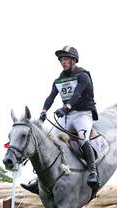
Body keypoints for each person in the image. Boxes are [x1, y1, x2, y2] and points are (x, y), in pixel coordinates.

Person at [21, 46, 99, 194]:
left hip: (83, 114)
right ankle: (39, 181)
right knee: (50, 140)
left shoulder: (83, 76)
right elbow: (51, 97)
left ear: (74, 60)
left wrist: (66, 107)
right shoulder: (59, 79)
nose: (63, 62)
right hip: (67, 115)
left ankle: (93, 172)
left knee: (82, 138)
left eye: (66, 59)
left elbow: (76, 95)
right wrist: (44, 111)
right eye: (61, 60)